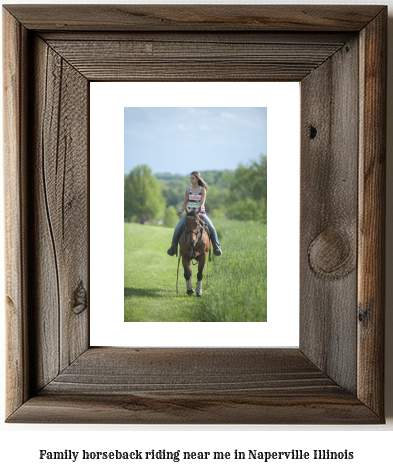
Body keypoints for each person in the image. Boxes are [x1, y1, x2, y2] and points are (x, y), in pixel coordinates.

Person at [167, 171, 222, 256]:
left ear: (197, 179)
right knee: (177, 228)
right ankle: (173, 247)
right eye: (190, 178)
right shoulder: (188, 190)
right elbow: (185, 203)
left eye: (193, 178)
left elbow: (203, 202)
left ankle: (217, 247)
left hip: (201, 213)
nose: (191, 180)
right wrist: (182, 210)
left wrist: (200, 208)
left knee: (212, 228)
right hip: (189, 214)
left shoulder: (202, 190)